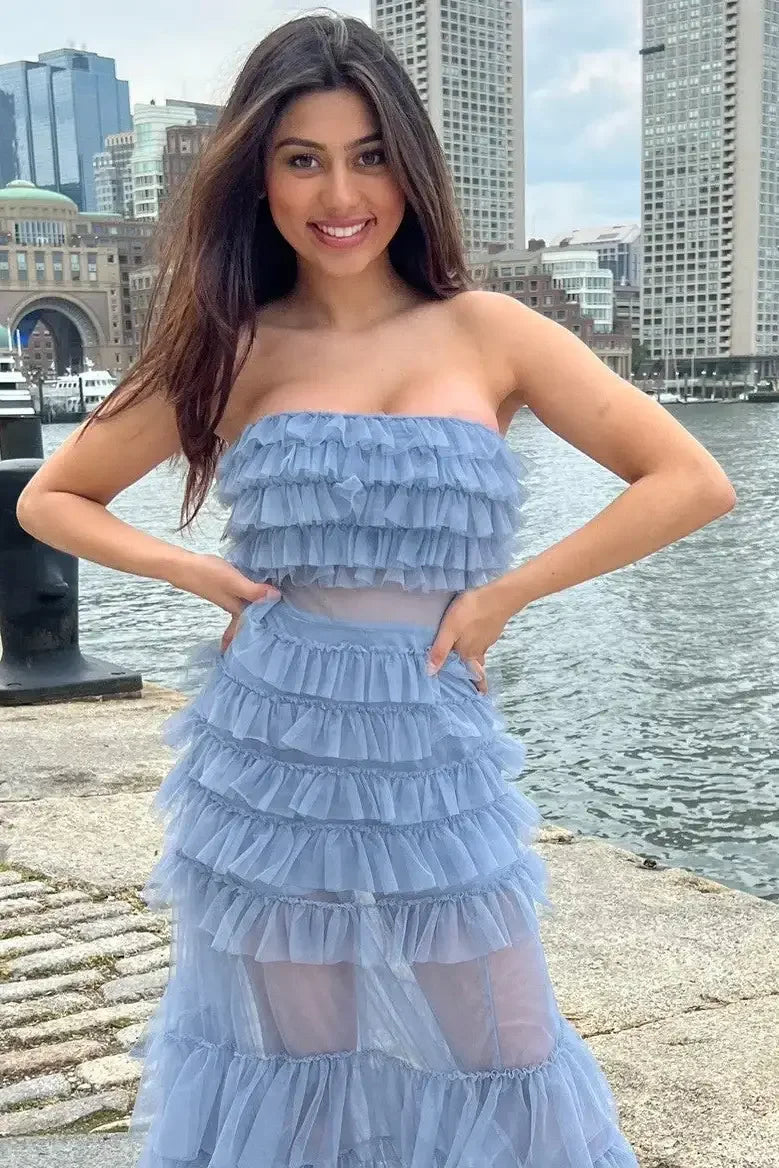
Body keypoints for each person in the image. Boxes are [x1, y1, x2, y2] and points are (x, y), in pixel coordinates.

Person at [16, 12, 735, 1167]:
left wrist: (505, 595)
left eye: (368, 155)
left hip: (429, 732)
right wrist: (200, 572)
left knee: (502, 1045)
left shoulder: (489, 329)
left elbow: (688, 479)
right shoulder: (232, 342)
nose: (338, 192)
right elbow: (54, 497)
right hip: (271, 744)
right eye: (302, 158)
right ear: (259, 175)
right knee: (306, 1061)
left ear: (409, 166)